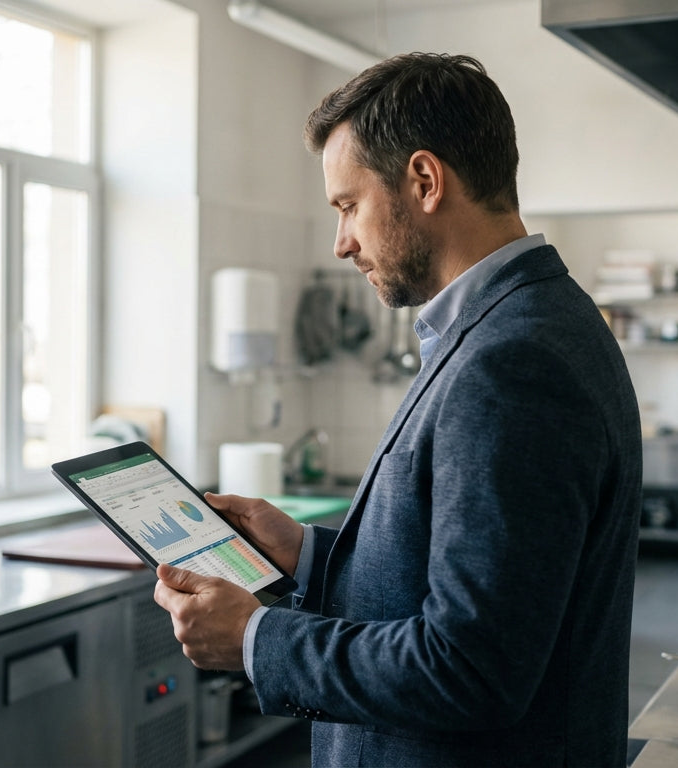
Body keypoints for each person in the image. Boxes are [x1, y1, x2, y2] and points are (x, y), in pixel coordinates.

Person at [153, 52, 641, 767]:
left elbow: (471, 669)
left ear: (423, 180)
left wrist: (259, 639)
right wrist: (309, 555)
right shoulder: (521, 322)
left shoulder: (513, 360)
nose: (341, 241)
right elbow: (463, 580)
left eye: (349, 206)